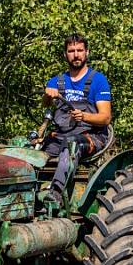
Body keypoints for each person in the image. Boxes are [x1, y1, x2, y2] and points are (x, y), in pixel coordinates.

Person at [41, 33, 112, 203]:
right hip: (60, 136)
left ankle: (55, 193)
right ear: (65, 54)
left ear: (86, 52)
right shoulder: (56, 82)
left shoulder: (98, 80)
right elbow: (45, 105)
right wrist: (48, 96)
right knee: (31, 151)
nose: (76, 54)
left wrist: (84, 116)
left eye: (79, 50)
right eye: (71, 51)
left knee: (72, 143)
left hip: (91, 136)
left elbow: (105, 118)